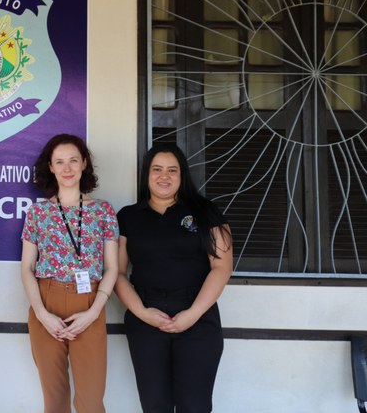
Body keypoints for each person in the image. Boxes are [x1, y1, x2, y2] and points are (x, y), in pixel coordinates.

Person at [114, 142, 233, 413]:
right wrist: (142, 313)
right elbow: (117, 273)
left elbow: (222, 268)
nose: (163, 176)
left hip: (198, 320)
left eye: (172, 170)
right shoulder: (128, 217)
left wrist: (192, 315)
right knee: (155, 406)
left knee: (195, 406)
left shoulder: (207, 213)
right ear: (147, 174)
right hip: (146, 320)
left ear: (182, 175)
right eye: (157, 169)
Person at [20, 134, 119, 413]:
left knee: (90, 402)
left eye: (73, 160)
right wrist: (41, 313)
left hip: (90, 303)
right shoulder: (38, 212)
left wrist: (94, 311)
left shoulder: (103, 211)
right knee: (54, 400)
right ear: (50, 167)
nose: (67, 168)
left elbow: (112, 268)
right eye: (59, 162)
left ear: (84, 163)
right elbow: (27, 268)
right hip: (46, 303)